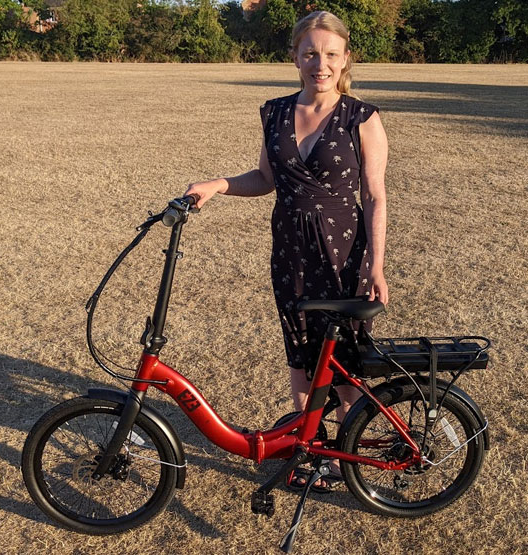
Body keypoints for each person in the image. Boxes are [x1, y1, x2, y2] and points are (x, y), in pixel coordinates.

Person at [185, 11, 388, 492]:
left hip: (343, 252)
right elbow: (266, 179)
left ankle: (347, 454)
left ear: (344, 60)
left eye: (330, 54)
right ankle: (309, 447)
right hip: (290, 251)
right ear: (295, 56)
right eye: (311, 53)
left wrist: (377, 264)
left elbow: (375, 194)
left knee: (342, 360)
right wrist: (217, 185)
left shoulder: (362, 116)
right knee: (299, 350)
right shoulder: (274, 111)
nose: (320, 63)